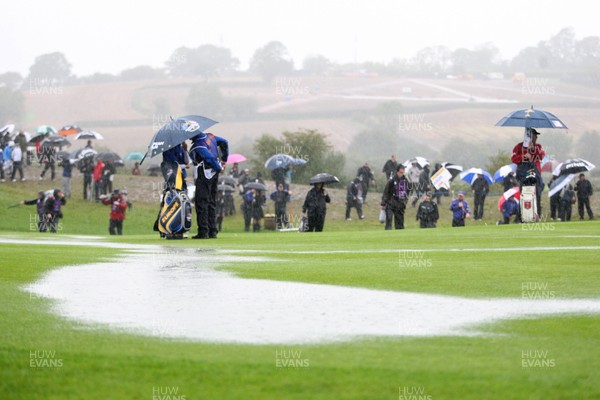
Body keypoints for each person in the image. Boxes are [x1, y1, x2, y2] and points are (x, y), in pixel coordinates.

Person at [189, 132, 229, 239]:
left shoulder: (198, 144)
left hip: (205, 172)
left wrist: (218, 167)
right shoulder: (210, 136)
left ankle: (203, 232)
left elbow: (209, 157)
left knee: (202, 202)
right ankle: (213, 231)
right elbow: (225, 142)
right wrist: (224, 160)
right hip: (214, 173)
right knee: (211, 202)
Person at [511, 128, 545, 216]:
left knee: (537, 194)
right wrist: (524, 156)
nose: (536, 137)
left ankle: (537, 214)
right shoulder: (519, 146)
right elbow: (513, 158)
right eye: (534, 135)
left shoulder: (538, 146)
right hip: (524, 174)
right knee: (524, 194)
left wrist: (533, 149)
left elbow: (541, 156)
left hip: (536, 174)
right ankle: (522, 216)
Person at [380, 164, 411, 230]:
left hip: (400, 203)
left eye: (403, 172)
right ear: (397, 171)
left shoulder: (406, 180)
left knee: (400, 223)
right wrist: (383, 203)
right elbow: (386, 192)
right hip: (390, 202)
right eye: (401, 172)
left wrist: (405, 201)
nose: (402, 173)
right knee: (389, 221)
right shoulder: (392, 180)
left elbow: (408, 191)